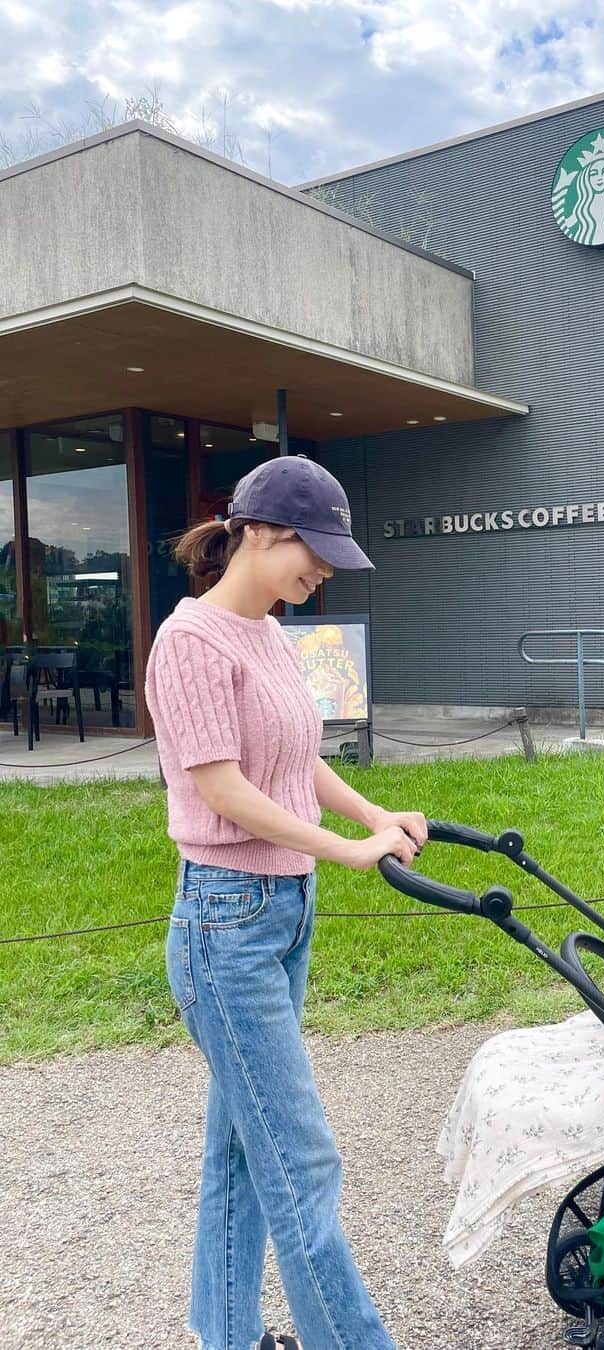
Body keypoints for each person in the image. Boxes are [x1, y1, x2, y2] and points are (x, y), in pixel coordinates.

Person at [145, 454, 424, 1350]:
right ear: (259, 533)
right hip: (225, 921)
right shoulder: (188, 641)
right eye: (318, 550)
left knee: (242, 1149)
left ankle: (224, 1334)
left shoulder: (268, 632)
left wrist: (375, 813)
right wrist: (346, 850)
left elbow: (296, 757)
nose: (326, 571)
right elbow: (223, 788)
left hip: (279, 916)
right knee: (302, 1158)